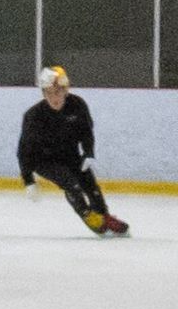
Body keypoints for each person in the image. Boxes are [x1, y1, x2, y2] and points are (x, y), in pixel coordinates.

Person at [18, 65, 129, 236]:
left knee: (90, 184)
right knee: (72, 184)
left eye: (58, 92)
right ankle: (89, 217)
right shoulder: (33, 116)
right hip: (43, 161)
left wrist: (89, 153)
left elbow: (86, 132)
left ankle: (103, 215)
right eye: (49, 93)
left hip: (70, 155)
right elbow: (24, 151)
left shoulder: (77, 105)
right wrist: (28, 181)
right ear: (43, 94)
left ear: (66, 90)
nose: (54, 98)